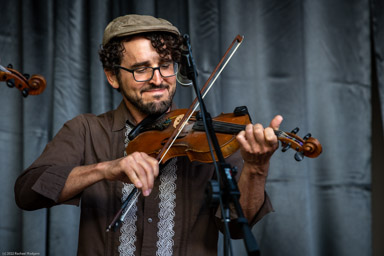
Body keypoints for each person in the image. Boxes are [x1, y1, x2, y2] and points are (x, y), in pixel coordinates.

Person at [14, 14, 283, 256]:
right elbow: (28, 193)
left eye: (166, 65)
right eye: (141, 69)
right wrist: (105, 169)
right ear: (112, 76)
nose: (158, 79)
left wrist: (257, 168)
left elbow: (238, 226)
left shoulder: (209, 138)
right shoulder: (86, 130)